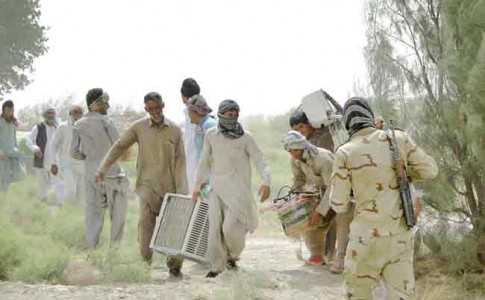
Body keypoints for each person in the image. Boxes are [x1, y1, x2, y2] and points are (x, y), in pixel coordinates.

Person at [329, 97, 438, 299]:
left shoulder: (344, 152)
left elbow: (339, 204)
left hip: (365, 239)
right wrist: (402, 174)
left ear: (347, 124)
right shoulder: (398, 139)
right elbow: (430, 170)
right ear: (370, 116)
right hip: (399, 237)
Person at [95, 92, 187, 278]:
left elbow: (180, 161)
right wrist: (102, 168)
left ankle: (175, 266)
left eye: (157, 107)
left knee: (173, 228)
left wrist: (182, 190)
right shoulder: (139, 127)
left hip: (170, 187)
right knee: (145, 227)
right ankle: (145, 264)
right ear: (146, 109)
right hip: (146, 186)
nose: (154, 112)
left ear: (163, 105)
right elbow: (119, 146)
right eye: (150, 109)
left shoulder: (175, 130)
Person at [193, 99, 271, 278]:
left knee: (229, 229)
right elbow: (204, 161)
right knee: (214, 230)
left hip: (238, 191)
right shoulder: (211, 135)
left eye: (235, 114)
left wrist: (266, 180)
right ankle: (216, 266)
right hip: (217, 189)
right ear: (221, 114)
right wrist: (197, 185)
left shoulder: (246, 137)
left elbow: (260, 159)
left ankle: (233, 257)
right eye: (229, 114)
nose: (233, 117)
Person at [71, 88, 129, 249]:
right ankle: (114, 252)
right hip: (112, 174)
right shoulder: (106, 122)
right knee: (117, 216)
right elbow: (119, 145)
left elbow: (73, 152)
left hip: (91, 174)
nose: (108, 107)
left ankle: (92, 251)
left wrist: (89, 158)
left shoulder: (78, 124)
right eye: (105, 103)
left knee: (93, 215)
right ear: (97, 104)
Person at [283, 130, 334, 265]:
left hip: (338, 193)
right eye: (289, 151)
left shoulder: (323, 159)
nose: (292, 154)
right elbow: (299, 180)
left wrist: (320, 211)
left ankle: (335, 256)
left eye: (294, 150)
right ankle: (317, 254)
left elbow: (332, 187)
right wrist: (293, 200)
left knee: (332, 222)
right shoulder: (295, 160)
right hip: (316, 193)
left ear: (302, 147)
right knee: (307, 220)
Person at [50, 105, 85, 204]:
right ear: (70, 114)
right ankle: (64, 208)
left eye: (80, 113)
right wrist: (53, 163)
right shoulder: (63, 127)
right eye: (75, 112)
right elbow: (54, 145)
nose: (77, 115)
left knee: (81, 193)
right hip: (66, 164)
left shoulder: (85, 128)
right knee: (71, 189)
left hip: (81, 164)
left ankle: (75, 214)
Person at [27, 107, 63, 203]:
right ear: (45, 115)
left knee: (58, 182)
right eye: (48, 113)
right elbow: (29, 141)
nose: (51, 115)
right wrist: (36, 149)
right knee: (41, 183)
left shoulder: (59, 127)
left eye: (52, 113)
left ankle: (59, 203)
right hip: (42, 158)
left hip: (56, 160)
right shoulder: (38, 127)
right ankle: (42, 202)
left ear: (55, 115)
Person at [181, 78, 200, 194]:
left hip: (197, 166)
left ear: (183, 96)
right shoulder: (187, 114)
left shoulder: (193, 114)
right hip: (193, 165)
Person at [0, 100, 24, 194]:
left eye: (12, 110)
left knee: (18, 174)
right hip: (2, 154)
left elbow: (14, 138)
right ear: (3, 110)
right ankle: (3, 199)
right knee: (2, 176)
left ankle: (3, 195)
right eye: (8, 110)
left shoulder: (13, 123)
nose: (10, 112)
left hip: (12, 153)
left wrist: (16, 149)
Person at [187, 95, 217, 162]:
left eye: (189, 112)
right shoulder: (202, 125)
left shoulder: (210, 125)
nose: (189, 115)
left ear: (196, 111)